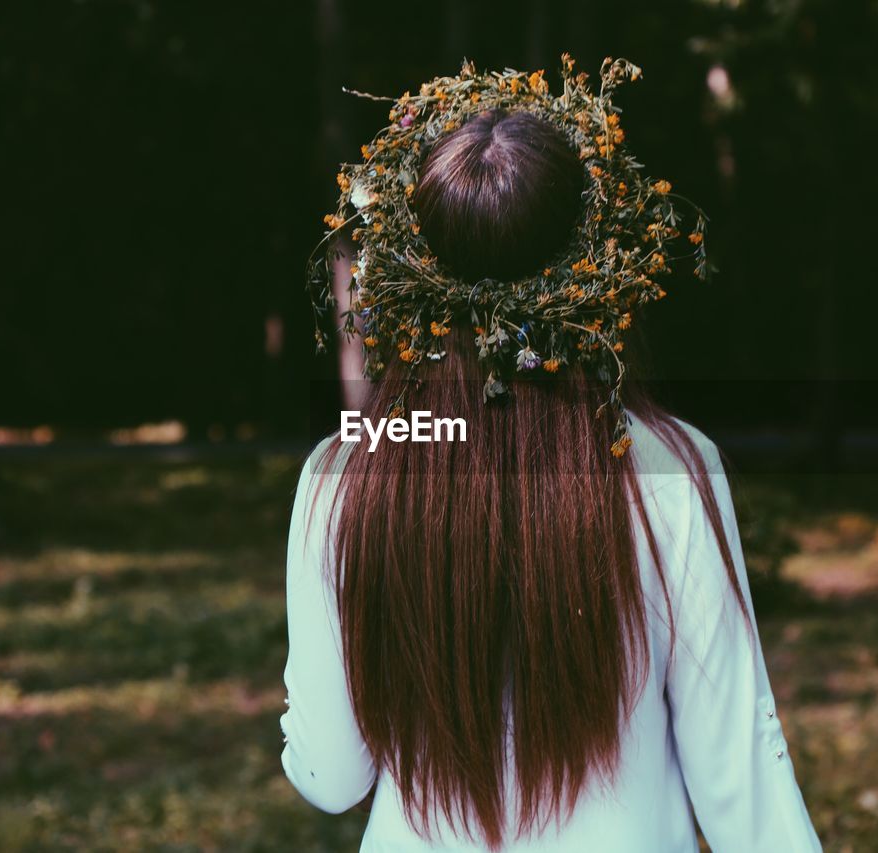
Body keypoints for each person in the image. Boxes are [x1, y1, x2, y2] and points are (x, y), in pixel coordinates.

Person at [282, 58, 822, 852]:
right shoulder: (670, 468)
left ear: (408, 266)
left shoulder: (347, 472)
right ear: (597, 268)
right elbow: (741, 778)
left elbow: (331, 775)